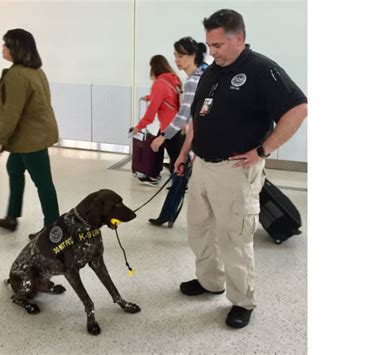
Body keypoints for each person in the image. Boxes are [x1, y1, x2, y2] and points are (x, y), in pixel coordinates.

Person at [174, 9, 308, 329]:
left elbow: (299, 109)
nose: (213, 51)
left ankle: (242, 300)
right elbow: (199, 117)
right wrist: (184, 153)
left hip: (235, 170)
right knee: (199, 231)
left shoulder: (262, 70)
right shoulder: (211, 71)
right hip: (202, 166)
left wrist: (263, 150)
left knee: (234, 238)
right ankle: (210, 282)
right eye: (209, 45)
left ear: (240, 38)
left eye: (218, 44)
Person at [0, 28, 60, 240]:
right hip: (30, 135)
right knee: (13, 168)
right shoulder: (35, 70)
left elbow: (12, 113)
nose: (3, 48)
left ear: (16, 48)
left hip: (31, 138)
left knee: (43, 183)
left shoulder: (17, 75)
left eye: (6, 44)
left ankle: (53, 229)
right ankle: (11, 217)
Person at [148, 36, 208, 228]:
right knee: (181, 173)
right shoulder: (206, 72)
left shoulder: (194, 80)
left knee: (185, 175)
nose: (176, 60)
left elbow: (184, 115)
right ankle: (168, 214)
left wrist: (163, 136)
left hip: (203, 140)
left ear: (193, 56)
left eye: (181, 55)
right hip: (204, 136)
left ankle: (170, 215)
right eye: (175, 55)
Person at [131, 55, 181, 186]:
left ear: (154, 68)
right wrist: (149, 97)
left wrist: (139, 126)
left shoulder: (159, 83)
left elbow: (151, 111)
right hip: (177, 122)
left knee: (174, 154)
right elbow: (167, 97)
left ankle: (180, 183)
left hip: (168, 125)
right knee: (157, 147)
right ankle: (154, 175)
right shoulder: (173, 79)